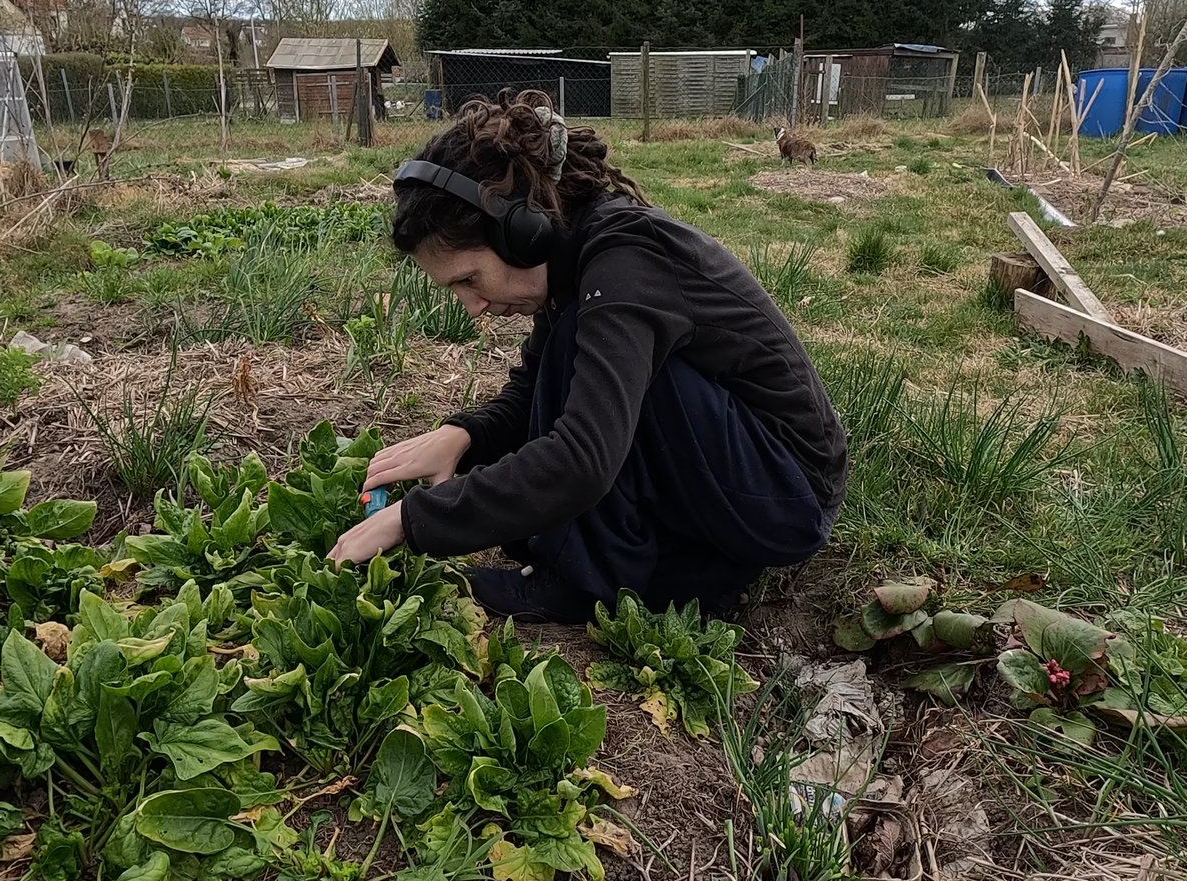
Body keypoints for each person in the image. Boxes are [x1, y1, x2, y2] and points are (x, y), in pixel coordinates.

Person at [327, 90, 846, 622]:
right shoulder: (579, 256)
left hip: (787, 498)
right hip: (743, 477)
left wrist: (412, 522)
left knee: (583, 351)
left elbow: (583, 459)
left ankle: (583, 584)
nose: (474, 308)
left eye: (469, 279)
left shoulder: (624, 266)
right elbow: (536, 389)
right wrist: (464, 437)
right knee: (575, 350)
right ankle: (683, 571)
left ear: (522, 233)